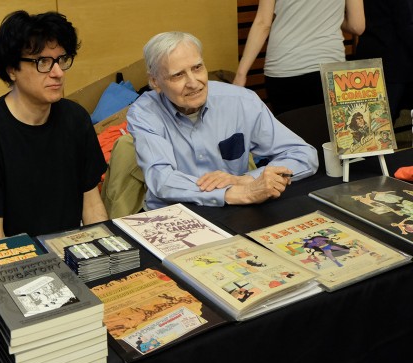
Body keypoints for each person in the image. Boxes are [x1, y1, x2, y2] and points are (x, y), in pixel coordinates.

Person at [0, 10, 108, 243]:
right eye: (43, 62)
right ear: (12, 69)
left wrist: (105, 255)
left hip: (67, 251)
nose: (57, 73)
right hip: (15, 263)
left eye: (61, 60)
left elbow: (92, 206)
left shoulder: (76, 119)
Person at [126, 31, 319, 211]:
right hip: (173, 216)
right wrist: (233, 193)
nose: (193, 83)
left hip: (233, 213)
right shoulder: (144, 113)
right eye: (178, 75)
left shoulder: (242, 101)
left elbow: (303, 155)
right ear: (155, 82)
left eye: (197, 68)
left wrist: (244, 180)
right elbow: (162, 179)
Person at [233, 0, 365, 115]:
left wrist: (241, 74)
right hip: (330, 68)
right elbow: (357, 26)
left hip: (283, 69)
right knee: (328, 139)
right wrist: (329, 17)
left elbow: (263, 23)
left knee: (291, 138)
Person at [354, 0, 413, 123]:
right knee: (380, 124)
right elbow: (406, 25)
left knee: (376, 124)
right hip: (395, 63)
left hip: (371, 58)